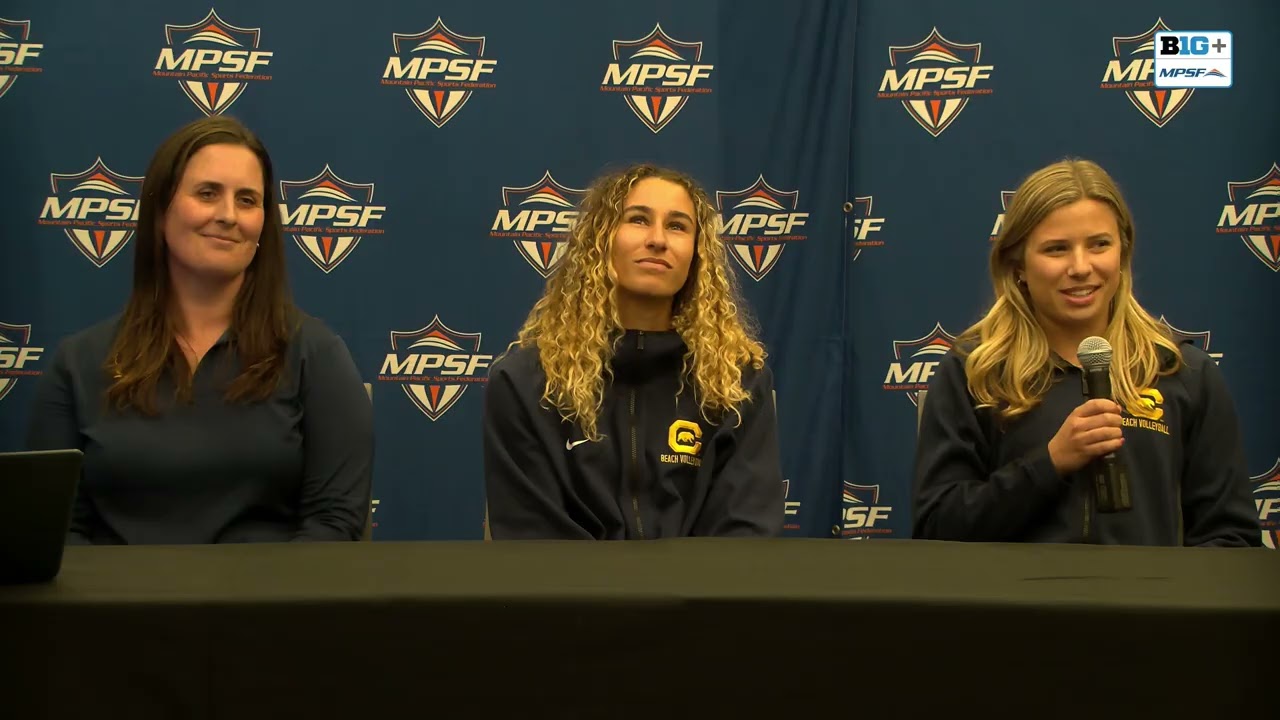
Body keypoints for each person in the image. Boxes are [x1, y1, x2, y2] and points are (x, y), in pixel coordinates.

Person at [25, 116, 373, 544]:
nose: (228, 215)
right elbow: (56, 533)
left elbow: (334, 524)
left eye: (247, 200)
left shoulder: (314, 356)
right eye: (207, 193)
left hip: (273, 589)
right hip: (117, 590)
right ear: (160, 212)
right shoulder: (78, 364)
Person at [913, 159, 1259, 546]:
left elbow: (1230, 536)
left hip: (1147, 589)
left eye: (1099, 244)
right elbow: (937, 527)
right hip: (1016, 589)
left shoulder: (1182, 372)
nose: (1080, 267)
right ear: (1018, 264)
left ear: (1123, 253)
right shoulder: (975, 372)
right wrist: (1050, 464)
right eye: (1056, 249)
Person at [483, 163, 784, 539]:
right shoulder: (526, 382)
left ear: (697, 254)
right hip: (567, 580)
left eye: (677, 226)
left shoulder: (736, 383)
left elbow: (746, 534)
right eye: (638, 220)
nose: (658, 239)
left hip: (704, 580)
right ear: (601, 240)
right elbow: (531, 539)